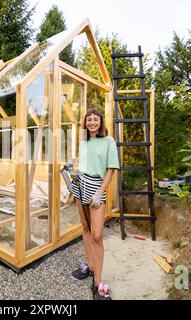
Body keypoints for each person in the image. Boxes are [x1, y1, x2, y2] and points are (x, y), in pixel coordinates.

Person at [70, 108, 119, 300]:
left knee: (97, 235)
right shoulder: (84, 141)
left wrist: (100, 193)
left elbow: (111, 169)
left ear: (100, 122)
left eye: (95, 119)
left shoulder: (108, 141)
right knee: (85, 227)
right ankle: (90, 267)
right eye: (88, 119)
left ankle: (98, 283)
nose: (91, 122)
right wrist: (72, 164)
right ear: (85, 123)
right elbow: (83, 162)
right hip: (80, 185)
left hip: (96, 188)